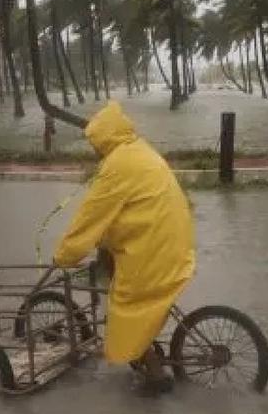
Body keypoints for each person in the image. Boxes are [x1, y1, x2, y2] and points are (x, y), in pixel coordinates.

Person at [53, 101, 195, 395]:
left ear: (105, 138)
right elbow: (125, 210)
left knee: (124, 307)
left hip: (153, 250)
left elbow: (90, 217)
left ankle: (155, 376)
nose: (94, 150)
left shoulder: (117, 166)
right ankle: (146, 346)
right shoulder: (139, 150)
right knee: (125, 283)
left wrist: (65, 256)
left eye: (95, 143)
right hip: (173, 242)